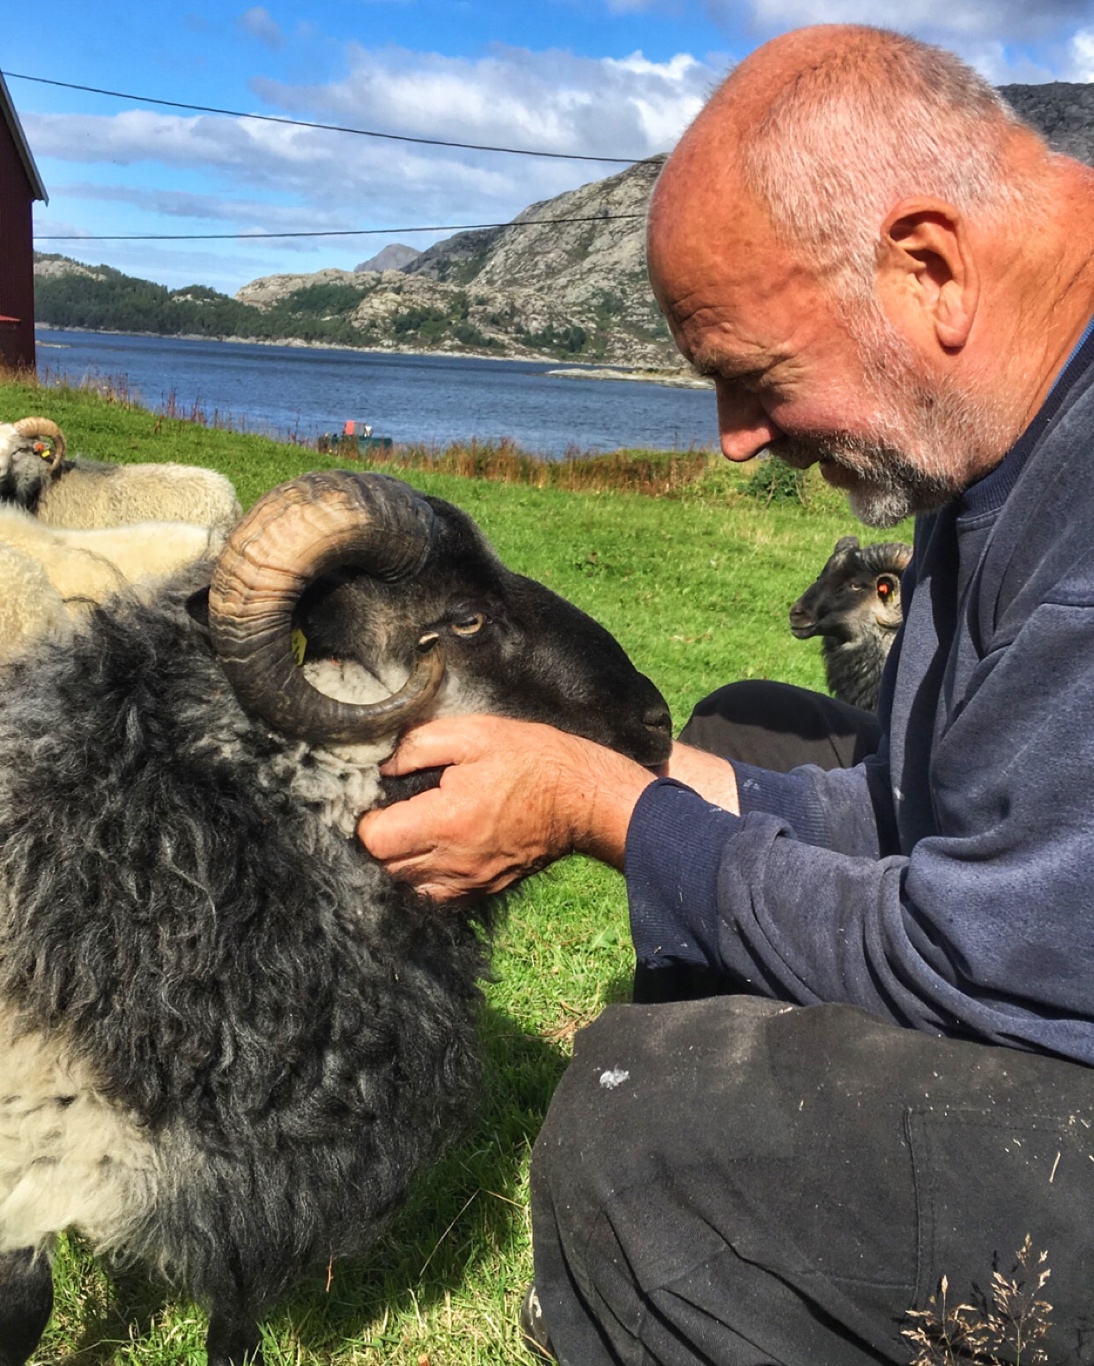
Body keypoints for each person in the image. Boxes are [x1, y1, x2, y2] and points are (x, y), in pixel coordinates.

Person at [358, 23, 1094, 1364]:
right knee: (734, 726)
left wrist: (604, 810)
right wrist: (630, 776)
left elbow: (1004, 959)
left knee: (640, 1140)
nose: (736, 440)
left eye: (750, 377)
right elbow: (923, 802)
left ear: (924, 265)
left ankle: (699, 1213)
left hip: (1058, 1005)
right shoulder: (989, 407)